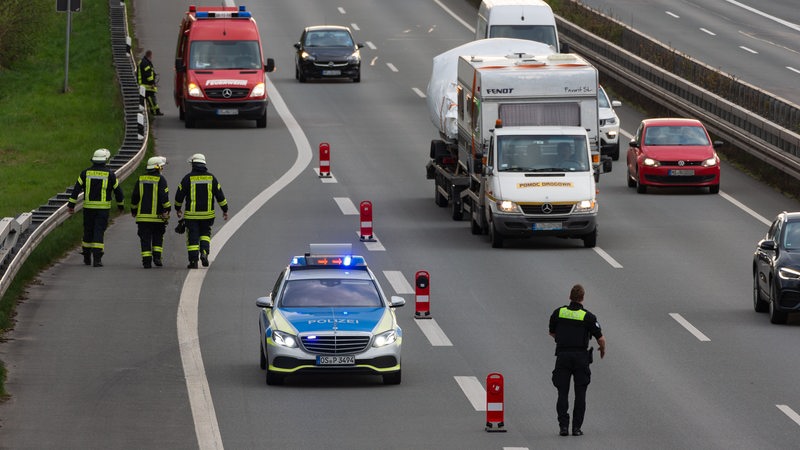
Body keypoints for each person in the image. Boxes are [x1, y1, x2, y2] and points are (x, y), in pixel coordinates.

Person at [549, 284, 606, 437]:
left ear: (570, 297)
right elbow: (601, 338)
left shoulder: (558, 312)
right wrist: (602, 349)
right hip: (581, 358)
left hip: (563, 356)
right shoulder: (588, 317)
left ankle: (563, 427)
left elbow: (552, 332)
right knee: (580, 394)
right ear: (582, 298)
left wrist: (563, 340)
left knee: (562, 393)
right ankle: (576, 428)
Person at [67, 148, 125, 267]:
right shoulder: (110, 174)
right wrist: (121, 206)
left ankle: (87, 257)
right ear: (105, 161)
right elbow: (118, 192)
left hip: (88, 209)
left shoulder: (85, 173)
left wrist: (71, 206)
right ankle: (97, 259)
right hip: (103, 210)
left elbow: (76, 190)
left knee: (88, 231)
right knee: (99, 231)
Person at [174, 153, 229, 269]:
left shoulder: (187, 178)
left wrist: (177, 209)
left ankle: (193, 261)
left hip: (192, 216)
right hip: (207, 216)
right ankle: (204, 253)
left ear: (193, 165)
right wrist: (225, 210)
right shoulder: (211, 178)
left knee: (193, 237)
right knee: (205, 234)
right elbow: (220, 195)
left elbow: (179, 195)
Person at [131, 156, 171, 268]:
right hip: (158, 217)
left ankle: (146, 261)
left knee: (145, 239)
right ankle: (157, 257)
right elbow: (164, 197)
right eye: (161, 167)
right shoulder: (161, 179)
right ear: (157, 167)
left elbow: (135, 196)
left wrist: (133, 210)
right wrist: (168, 209)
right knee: (158, 237)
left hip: (143, 218)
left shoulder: (140, 179)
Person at [138, 50, 163, 116]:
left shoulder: (143, 62)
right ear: (150, 55)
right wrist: (152, 83)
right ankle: (155, 111)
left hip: (143, 84)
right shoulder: (146, 63)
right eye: (151, 56)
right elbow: (148, 75)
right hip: (146, 85)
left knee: (150, 98)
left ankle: (155, 111)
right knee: (151, 98)